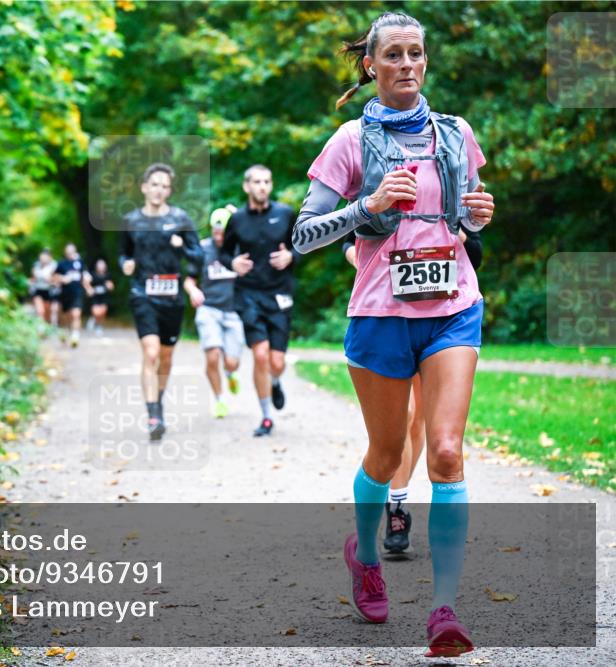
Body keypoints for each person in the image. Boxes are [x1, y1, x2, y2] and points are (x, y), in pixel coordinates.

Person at [293, 12, 495, 658]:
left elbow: (468, 224)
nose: (408, 64)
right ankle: (365, 552)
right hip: (380, 314)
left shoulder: (456, 135)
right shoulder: (349, 142)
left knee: (443, 451)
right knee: (385, 456)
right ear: (371, 66)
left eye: (417, 54)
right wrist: (368, 206)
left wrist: (480, 218)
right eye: (395, 55)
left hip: (452, 307)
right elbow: (300, 237)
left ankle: (444, 608)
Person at [342, 227, 484, 557]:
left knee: (421, 418)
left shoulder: (452, 180)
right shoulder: (382, 179)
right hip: (387, 311)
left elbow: (475, 252)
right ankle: (396, 505)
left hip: (441, 315)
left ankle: (398, 502)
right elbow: (349, 239)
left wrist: (452, 238)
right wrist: (368, 261)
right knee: (400, 418)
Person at [119, 163, 204, 440]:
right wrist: (126, 265)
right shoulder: (131, 221)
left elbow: (199, 257)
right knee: (151, 352)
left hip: (172, 298)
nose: (159, 190)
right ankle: (153, 413)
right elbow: (124, 254)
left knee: (166, 358)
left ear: (169, 190)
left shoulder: (180, 219)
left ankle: (158, 401)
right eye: (154, 184)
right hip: (142, 294)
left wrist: (183, 247)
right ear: (144, 187)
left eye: (165, 186)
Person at [218, 165, 300, 437]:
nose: (262, 186)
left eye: (266, 181)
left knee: (276, 362)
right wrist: (232, 262)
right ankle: (266, 417)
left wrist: (292, 256)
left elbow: (302, 244)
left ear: (271, 185)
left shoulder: (286, 214)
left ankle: (276, 381)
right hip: (248, 294)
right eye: (256, 182)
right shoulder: (238, 219)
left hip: (279, 295)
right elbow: (222, 253)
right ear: (247, 186)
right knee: (260, 354)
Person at [184, 207, 243, 418]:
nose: (219, 236)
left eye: (223, 231)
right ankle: (219, 400)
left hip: (234, 311)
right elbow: (189, 280)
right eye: (215, 231)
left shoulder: (239, 248)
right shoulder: (203, 250)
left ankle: (230, 372)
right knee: (212, 356)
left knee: (231, 361)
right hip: (208, 309)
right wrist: (193, 291)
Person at [55, 243, 87, 347]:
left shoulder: (80, 263)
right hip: (65, 294)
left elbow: (85, 276)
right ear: (65, 252)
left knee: (76, 314)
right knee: (65, 316)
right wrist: (62, 279)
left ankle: (75, 337)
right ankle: (64, 332)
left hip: (77, 292)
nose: (70, 253)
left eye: (72, 251)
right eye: (68, 251)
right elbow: (53, 277)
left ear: (75, 251)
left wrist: (88, 286)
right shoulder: (61, 264)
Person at [85, 258, 115, 336]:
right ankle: (94, 320)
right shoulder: (92, 275)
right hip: (95, 297)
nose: (101, 267)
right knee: (96, 312)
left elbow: (111, 286)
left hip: (104, 297)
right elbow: (87, 284)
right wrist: (89, 289)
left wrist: (110, 286)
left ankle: (99, 325)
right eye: (99, 265)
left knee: (102, 312)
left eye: (102, 265)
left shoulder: (108, 275)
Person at [29, 248, 58, 326]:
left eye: (45, 257)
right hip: (38, 290)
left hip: (49, 290)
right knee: (40, 311)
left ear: (49, 257)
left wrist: (50, 279)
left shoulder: (54, 265)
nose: (43, 258)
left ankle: (46, 326)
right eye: (41, 257)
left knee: (47, 312)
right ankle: (40, 329)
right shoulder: (36, 265)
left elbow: (55, 279)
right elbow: (33, 278)